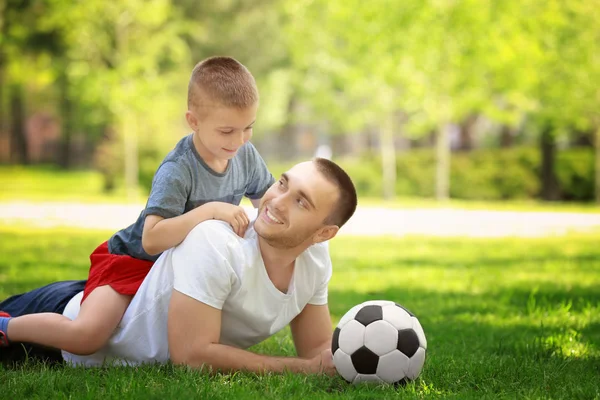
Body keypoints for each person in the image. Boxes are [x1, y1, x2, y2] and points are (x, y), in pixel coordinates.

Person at [0, 56, 275, 356]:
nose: (239, 140)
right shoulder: (178, 169)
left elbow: (269, 203)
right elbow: (152, 238)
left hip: (177, 274)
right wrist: (210, 211)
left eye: (247, 127)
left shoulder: (245, 155)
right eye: (227, 131)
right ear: (193, 121)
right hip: (132, 261)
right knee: (87, 337)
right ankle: (7, 327)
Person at [1, 159, 357, 375]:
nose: (276, 202)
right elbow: (191, 357)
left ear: (324, 234)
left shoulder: (314, 261)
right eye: (282, 183)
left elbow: (317, 351)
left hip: (109, 307)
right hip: (61, 322)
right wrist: (301, 369)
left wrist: (359, 359)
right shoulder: (217, 243)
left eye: (301, 202)